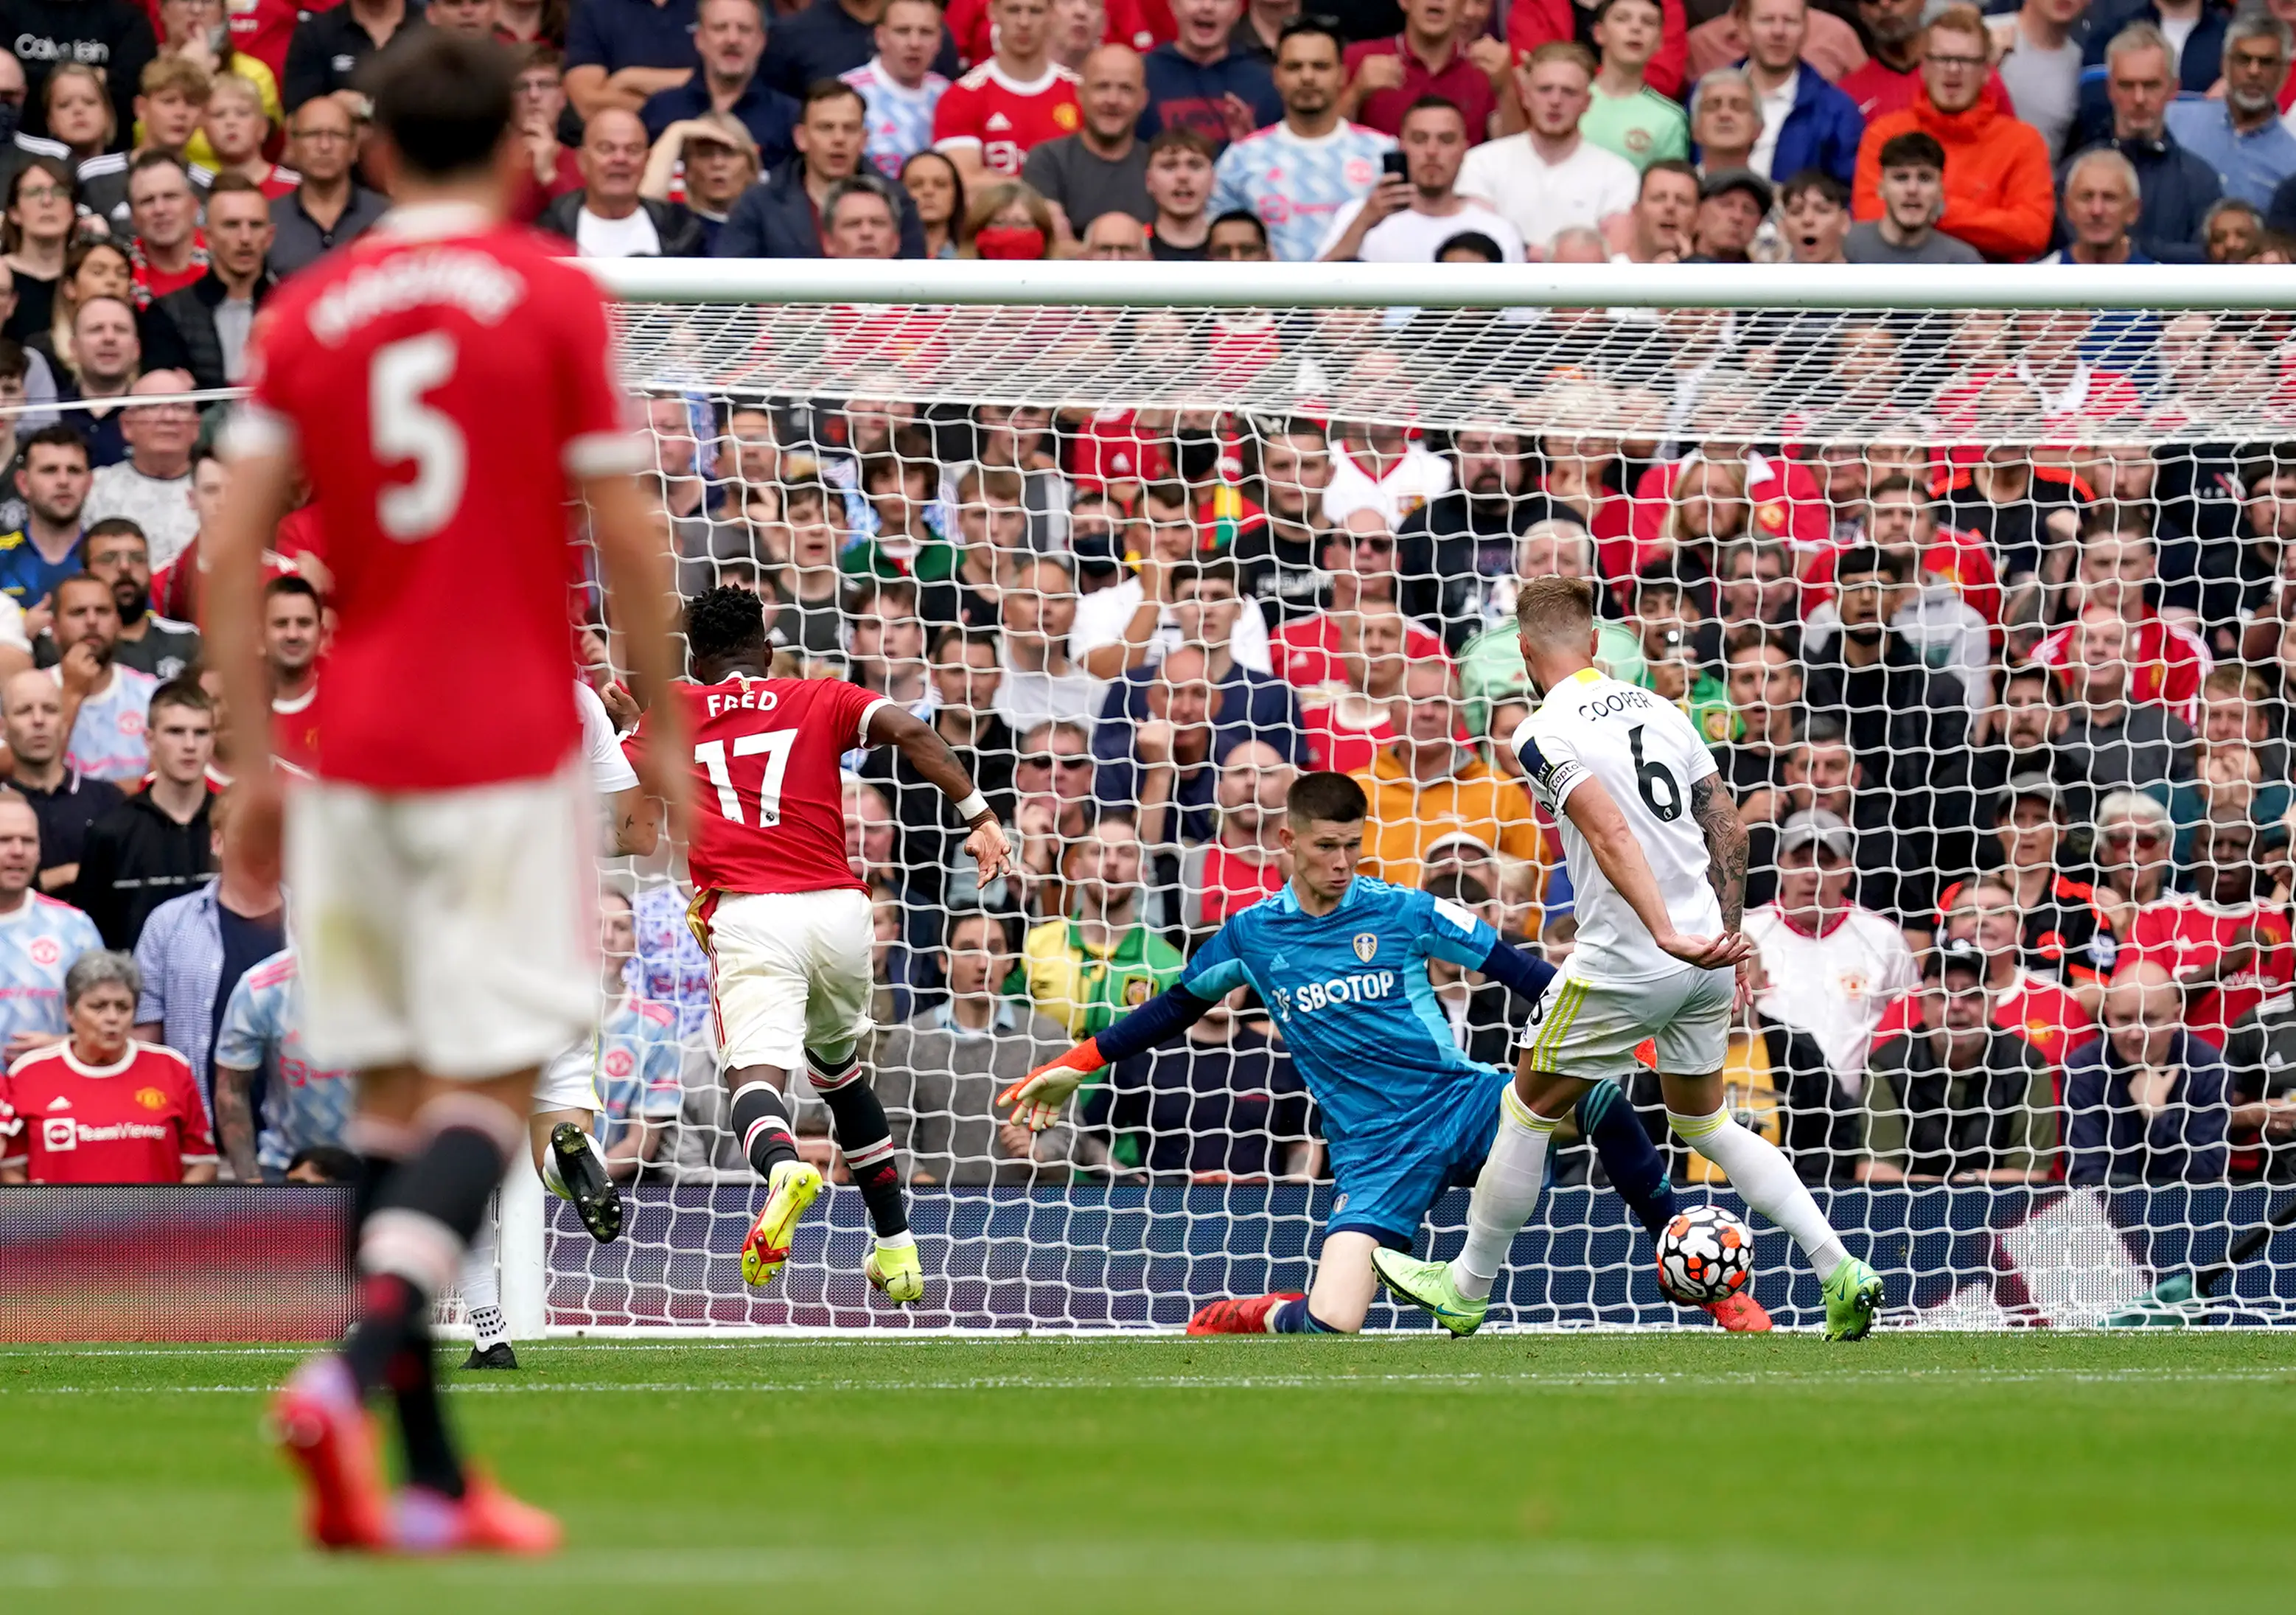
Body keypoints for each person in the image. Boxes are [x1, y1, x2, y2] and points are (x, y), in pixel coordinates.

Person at [208, 34, 685, 1555]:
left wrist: (249, 760)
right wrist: (663, 725)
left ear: (383, 157)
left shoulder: (309, 308)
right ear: (522, 151)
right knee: (493, 1093)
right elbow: (628, 526)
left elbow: (228, 552)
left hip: (354, 740)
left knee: (398, 1116)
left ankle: (417, 1477)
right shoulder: (551, 295)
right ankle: (350, 1376)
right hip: (501, 743)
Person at [1005, 769, 1772, 1335]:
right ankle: (1261, 1313)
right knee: (1333, 1322)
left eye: (1352, 847)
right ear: (1289, 841)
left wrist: (1622, 1027)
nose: (1341, 863)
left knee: (1596, 1090)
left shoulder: (1404, 910)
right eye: (1326, 847)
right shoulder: (1252, 936)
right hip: (1370, 1152)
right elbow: (1176, 1007)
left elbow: (1517, 967)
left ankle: (1705, 1285)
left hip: (1463, 1103)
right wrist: (1074, 1065)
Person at [1365, 575, 1884, 1342]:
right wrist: (1725, 936)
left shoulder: (1539, 731)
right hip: (1707, 951)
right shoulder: (1664, 708)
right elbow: (1731, 830)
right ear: (1598, 640)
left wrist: (1661, 930)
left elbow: (1609, 834)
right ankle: (1839, 1268)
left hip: (1628, 958)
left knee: (1525, 1107)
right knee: (1703, 1121)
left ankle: (1465, 1286)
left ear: (1525, 650)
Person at [630, 586, 1011, 1308]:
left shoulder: (673, 712)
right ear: (766, 652)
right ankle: (897, 1248)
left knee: (754, 1081)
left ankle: (782, 1169)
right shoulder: (817, 694)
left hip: (750, 914)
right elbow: (912, 732)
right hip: (840, 912)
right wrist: (980, 814)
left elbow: (622, 782)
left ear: (696, 659)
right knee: (838, 1073)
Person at [877, 910, 1109, 1185]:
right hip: (934, 1214)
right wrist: (920, 1181)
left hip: (1024, 1212)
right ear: (943, 961)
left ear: (1010, 962)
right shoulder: (909, 1039)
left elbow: (1071, 1131)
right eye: (968, 950)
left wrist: (1039, 1152)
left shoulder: (1045, 1038)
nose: (983, 963)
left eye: (995, 949)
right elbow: (890, 1139)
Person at [1850, 4, 2053, 262]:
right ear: (1923, 66)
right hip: (1898, 286)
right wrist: (1983, 220)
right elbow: (1869, 216)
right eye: (1943, 59)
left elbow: (2032, 232)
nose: (1953, 70)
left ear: (1986, 71)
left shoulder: (2023, 141)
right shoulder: (1885, 133)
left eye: (1966, 60)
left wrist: (1941, 210)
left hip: (1988, 295)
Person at [0, 949, 215, 1184]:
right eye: (98, 1006)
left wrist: (171, 1216)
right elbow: (11, 1169)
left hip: (152, 1221)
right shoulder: (29, 1073)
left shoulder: (172, 1068)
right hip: (59, 1221)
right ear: (70, 1012)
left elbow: (202, 1163)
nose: (112, 1018)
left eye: (123, 1007)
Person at [1742, 806, 1920, 1088]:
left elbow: (1911, 1023)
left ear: (1848, 872)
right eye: (1800, 860)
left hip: (1857, 1114)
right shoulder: (1747, 934)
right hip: (1766, 1105)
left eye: (1825, 862)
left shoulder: (1883, 938)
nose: (1812, 874)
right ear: (1780, 866)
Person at [1860, 937, 2056, 1185]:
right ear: (1922, 1005)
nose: (1957, 1006)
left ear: (1992, 1004)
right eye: (1943, 994)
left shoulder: (2027, 1065)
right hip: (1908, 1212)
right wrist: (1945, 1191)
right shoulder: (1889, 1066)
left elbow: (2032, 1174)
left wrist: (1969, 1182)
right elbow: (1875, 1172)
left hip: (2003, 1212)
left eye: (1971, 994)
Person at [1210, 16, 1397, 262]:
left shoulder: (1383, 153)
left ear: (1343, 75)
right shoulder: (1241, 159)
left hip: (1367, 299)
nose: (1307, 77)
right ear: (1276, 76)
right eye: (1294, 67)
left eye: (1320, 66)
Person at [715, 80, 929, 257]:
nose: (839, 139)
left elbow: (919, 288)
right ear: (801, 138)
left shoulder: (897, 200)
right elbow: (725, 286)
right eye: (826, 128)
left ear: (864, 139)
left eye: (850, 128)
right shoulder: (760, 203)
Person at [1458, 41, 1639, 251]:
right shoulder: (1480, 162)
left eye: (1569, 92)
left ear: (1587, 103)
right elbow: (1478, 246)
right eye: (1545, 89)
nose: (1555, 100)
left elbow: (1614, 256)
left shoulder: (1618, 173)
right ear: (1525, 96)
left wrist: (1531, 254)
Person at [2065, 958, 2230, 1184]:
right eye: (2123, 1019)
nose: (2135, 1033)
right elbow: (2086, 1175)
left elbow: (2203, 1176)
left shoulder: (2208, 1067)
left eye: (2149, 1019)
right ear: (2107, 1014)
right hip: (2107, 1215)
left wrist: (2157, 1115)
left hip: (2187, 1214)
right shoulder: (2084, 1068)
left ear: (2176, 1017)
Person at [2067, 25, 2219, 264]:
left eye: (2150, 85)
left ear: (2173, 89)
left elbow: (2209, 262)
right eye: (2127, 85)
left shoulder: (2200, 181)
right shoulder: (2074, 175)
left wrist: (2137, 250)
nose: (2139, 99)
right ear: (2110, 89)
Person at [1319, 94, 1525, 262]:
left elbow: (1519, 313)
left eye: (1446, 140)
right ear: (1401, 147)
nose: (1432, 151)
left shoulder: (1498, 231)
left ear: (1464, 150)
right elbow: (1314, 298)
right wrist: (1364, 221)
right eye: (1420, 139)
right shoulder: (1356, 215)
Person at [2, 668, 125, 896]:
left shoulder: (109, 801)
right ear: (4, 727)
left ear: (63, 722)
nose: (38, 720)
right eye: (24, 711)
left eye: (50, 710)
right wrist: (62, 875)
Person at [932, 0, 1082, 184]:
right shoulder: (961, 96)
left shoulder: (1080, 93)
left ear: (1051, 14)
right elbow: (963, 183)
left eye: (1035, 11)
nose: (1024, 22)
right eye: (1013, 10)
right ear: (993, 12)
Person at [0, 789, 102, 1057]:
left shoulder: (75, 928)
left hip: (54, 1094)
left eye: (28, 841)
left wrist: (63, 1046)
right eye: (4, 840)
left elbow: (106, 1025)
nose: (18, 851)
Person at [154, 173, 275, 391]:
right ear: (208, 237)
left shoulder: (295, 310)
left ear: (269, 236)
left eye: (255, 225)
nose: (245, 237)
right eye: (231, 225)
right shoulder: (167, 313)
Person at [638, 0, 798, 165]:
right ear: (699, 39)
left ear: (761, 41)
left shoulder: (788, 117)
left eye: (744, 29)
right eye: (720, 28)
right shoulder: (660, 110)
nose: (733, 39)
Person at [2164, 10, 2296, 209]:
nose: (2254, 71)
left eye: (2266, 62)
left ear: (2285, 72)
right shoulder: (2173, 120)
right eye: (2244, 60)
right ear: (2225, 64)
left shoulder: (2292, 161)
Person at [539, 106, 707, 256]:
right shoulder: (548, 231)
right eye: (606, 149)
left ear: (647, 161)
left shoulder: (681, 231)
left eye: (633, 150)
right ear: (583, 161)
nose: (620, 159)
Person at [1023, 43, 1154, 228]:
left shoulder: (1158, 165)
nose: (1113, 100)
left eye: (1126, 89)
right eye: (1102, 87)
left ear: (1142, 100)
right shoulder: (1048, 160)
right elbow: (1054, 246)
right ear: (1080, 94)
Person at [47, 571, 159, 786]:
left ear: (118, 624)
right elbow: (30, 777)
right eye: (78, 612)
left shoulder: (151, 694)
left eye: (102, 611)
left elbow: (165, 786)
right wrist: (72, 693)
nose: (92, 621)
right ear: (54, 629)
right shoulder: (28, 692)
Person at [1734, 0, 1863, 186]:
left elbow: (1849, 195)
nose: (1778, 32)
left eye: (1790, 21)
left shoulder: (1837, 111)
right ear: (1744, 27)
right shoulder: (1708, 97)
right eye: (1767, 20)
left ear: (1806, 29)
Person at [80, 372, 198, 568]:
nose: (169, 418)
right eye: (153, 406)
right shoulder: (95, 487)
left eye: (180, 407)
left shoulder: (223, 490)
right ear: (127, 425)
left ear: (196, 426)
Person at [267, 96, 388, 277]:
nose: (325, 146)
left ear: (354, 147)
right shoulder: (266, 220)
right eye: (313, 134)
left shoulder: (388, 218)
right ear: (292, 144)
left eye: (337, 135)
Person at [1341, 0, 1498, 139]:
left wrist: (1506, 89)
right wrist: (1356, 92)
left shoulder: (1486, 69)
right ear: (1404, 2)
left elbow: (1512, 155)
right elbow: (1321, 139)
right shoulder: (1359, 59)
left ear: (1463, 6)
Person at [1140, 0, 1281, 147]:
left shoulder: (1266, 82)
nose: (1207, 6)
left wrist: (1250, 148)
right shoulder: (1143, 76)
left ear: (1238, 9)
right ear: (1174, 4)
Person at [841, 0, 952, 180]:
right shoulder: (849, 92)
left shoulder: (949, 95)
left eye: (926, 32)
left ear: (939, 40)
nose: (914, 43)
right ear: (880, 37)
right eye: (903, 31)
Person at [82, 520, 199, 683]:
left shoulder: (187, 641)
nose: (125, 567)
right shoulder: (60, 641)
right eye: (109, 559)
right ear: (85, 574)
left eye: (137, 558)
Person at [1842, 129, 1981, 265]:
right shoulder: (1844, 247)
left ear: (1940, 191)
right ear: (1881, 189)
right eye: (1901, 178)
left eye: (1925, 178)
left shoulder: (1962, 263)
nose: (1912, 189)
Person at [1584, 0, 1689, 171]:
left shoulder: (1670, 119)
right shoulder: (1568, 101)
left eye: (1648, 22)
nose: (1636, 28)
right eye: (1622, 18)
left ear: (1660, 41)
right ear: (1599, 33)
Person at [0, 424, 91, 615]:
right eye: (50, 470)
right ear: (23, 483)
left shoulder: (111, 558)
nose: (64, 481)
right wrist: (16, 634)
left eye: (74, 470)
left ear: (89, 483)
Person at [1142, 126, 1217, 257]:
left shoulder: (1232, 250)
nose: (1183, 176)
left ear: (1213, 179)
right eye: (1169, 166)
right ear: (1149, 180)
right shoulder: (1132, 247)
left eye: (1195, 165)